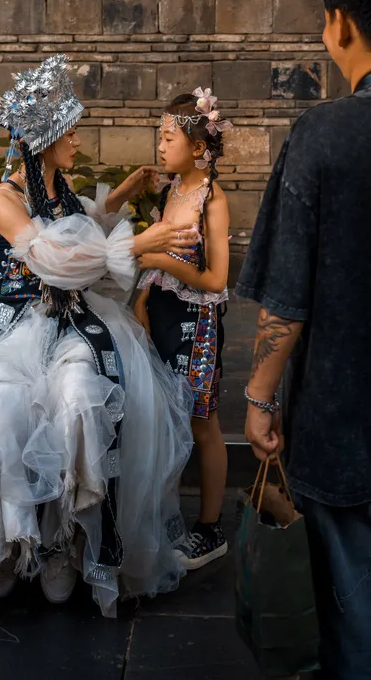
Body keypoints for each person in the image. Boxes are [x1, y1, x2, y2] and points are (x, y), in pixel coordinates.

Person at [0, 54, 197, 618]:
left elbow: (79, 223)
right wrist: (142, 241)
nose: (77, 138)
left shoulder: (58, 189)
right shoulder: (3, 200)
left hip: (69, 324)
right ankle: (9, 545)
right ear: (44, 139)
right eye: (70, 130)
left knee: (82, 398)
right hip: (12, 326)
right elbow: (60, 257)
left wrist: (116, 202)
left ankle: (69, 541)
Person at [236, 0, 371, 680]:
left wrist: (258, 398)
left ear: (340, 24)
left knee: (352, 618)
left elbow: (286, 298)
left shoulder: (323, 136)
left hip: (342, 425)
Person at [134, 91, 231, 570]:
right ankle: (167, 519)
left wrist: (159, 259)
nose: (161, 144)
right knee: (166, 416)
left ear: (197, 146)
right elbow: (155, 268)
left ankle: (211, 528)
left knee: (201, 420)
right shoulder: (170, 191)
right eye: (160, 135)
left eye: (168, 136)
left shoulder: (212, 199)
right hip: (163, 315)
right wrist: (142, 298)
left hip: (198, 321)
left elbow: (216, 279)